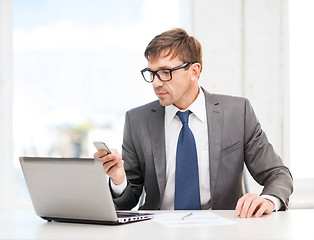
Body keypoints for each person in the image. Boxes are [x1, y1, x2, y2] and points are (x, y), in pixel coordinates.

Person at [94, 28, 293, 218]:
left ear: (194, 71)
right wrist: (118, 179)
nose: (156, 82)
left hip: (224, 230)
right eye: (152, 73)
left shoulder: (236, 112)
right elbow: (127, 201)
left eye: (165, 72)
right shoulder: (137, 120)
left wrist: (268, 200)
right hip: (157, 231)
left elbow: (278, 174)